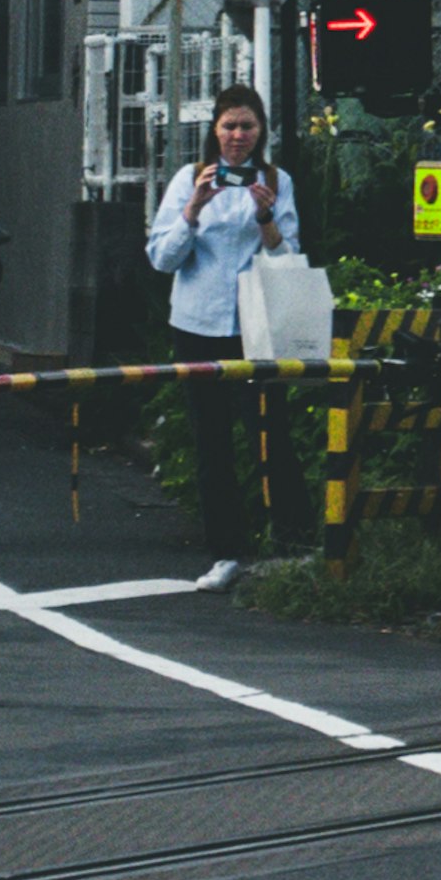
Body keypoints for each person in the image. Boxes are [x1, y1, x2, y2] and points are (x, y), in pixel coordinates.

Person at [149, 88, 302, 547]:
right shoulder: (189, 178)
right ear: (214, 130)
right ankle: (226, 547)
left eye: (247, 126)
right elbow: (161, 258)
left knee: (270, 434)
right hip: (196, 324)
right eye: (229, 126)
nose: (238, 136)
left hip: (253, 326)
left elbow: (289, 258)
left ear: (261, 132)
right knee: (211, 442)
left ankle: (291, 539)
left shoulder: (276, 180)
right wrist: (193, 208)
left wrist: (265, 218)